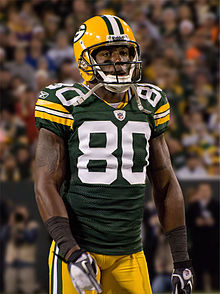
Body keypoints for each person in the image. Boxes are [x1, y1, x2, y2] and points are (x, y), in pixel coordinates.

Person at [34, 15, 193, 294]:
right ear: (84, 61)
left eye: (124, 52)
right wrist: (71, 251)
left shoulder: (149, 104)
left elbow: (166, 183)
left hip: (129, 253)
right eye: (106, 54)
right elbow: (45, 183)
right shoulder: (65, 103)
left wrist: (181, 260)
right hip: (80, 252)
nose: (118, 61)